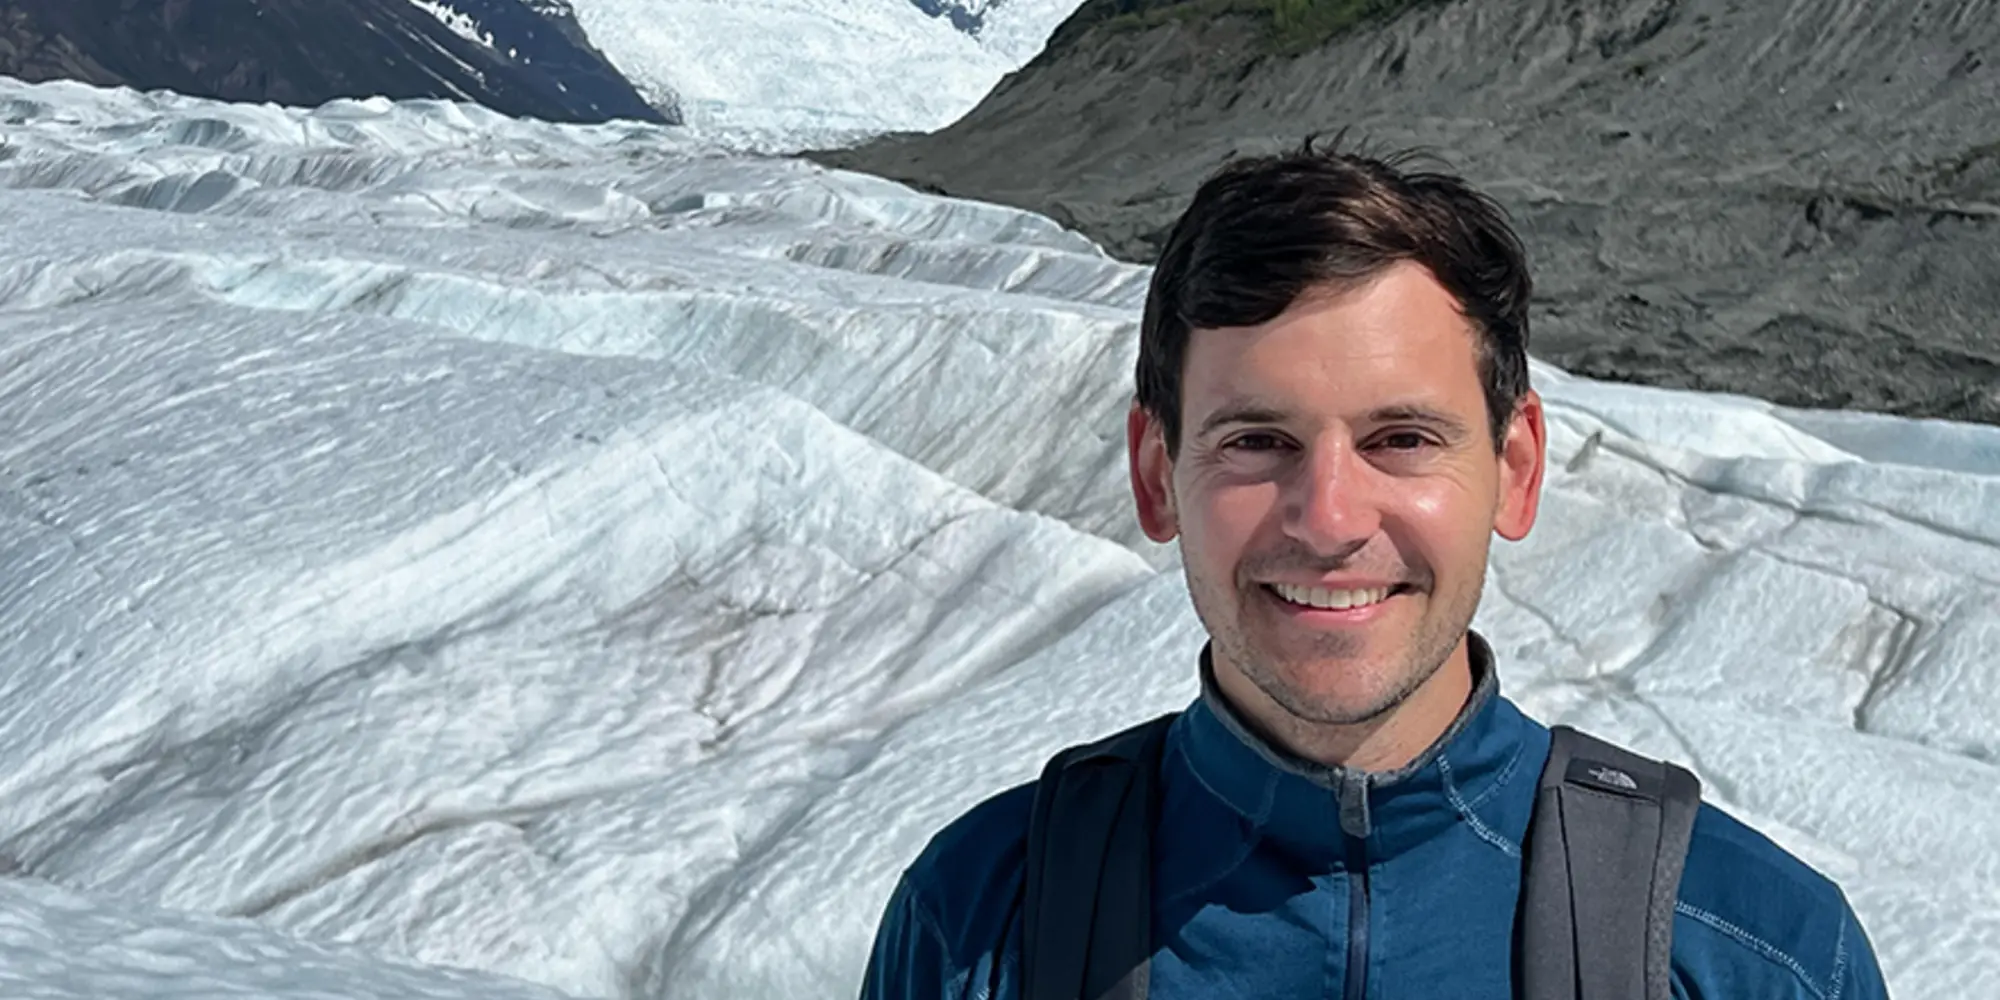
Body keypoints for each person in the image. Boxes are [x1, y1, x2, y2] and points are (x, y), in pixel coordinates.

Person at [857, 141, 1890, 1000]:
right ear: (1156, 476)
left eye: (1400, 437)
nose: (1330, 518)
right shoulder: (979, 924)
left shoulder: (1758, 954)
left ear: (1514, 471)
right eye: (1256, 440)